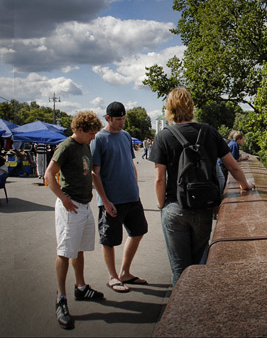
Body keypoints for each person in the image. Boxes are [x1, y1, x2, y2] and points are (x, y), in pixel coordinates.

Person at [149, 87, 253, 285]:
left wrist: (162, 205)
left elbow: (159, 178)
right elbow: (233, 166)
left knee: (179, 270)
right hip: (204, 206)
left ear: (169, 109)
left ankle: (179, 313)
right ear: (191, 107)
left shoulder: (163, 136)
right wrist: (246, 185)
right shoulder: (209, 132)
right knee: (197, 266)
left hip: (175, 206)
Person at [44, 110, 107, 329]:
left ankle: (80, 287)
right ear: (80, 130)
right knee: (65, 251)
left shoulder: (84, 146)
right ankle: (61, 298)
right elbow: (49, 174)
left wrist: (103, 199)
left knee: (78, 249)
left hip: (83, 205)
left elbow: (88, 174)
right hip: (70, 207)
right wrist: (63, 198)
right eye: (91, 133)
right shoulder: (67, 147)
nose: (93, 137)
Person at [91, 102, 148, 293]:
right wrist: (105, 201)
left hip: (132, 196)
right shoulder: (98, 139)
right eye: (118, 119)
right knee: (109, 240)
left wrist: (135, 185)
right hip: (112, 200)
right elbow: (94, 174)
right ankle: (113, 277)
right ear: (107, 118)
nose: (122, 122)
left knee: (138, 232)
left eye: (124, 118)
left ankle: (125, 272)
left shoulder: (125, 136)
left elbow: (130, 163)